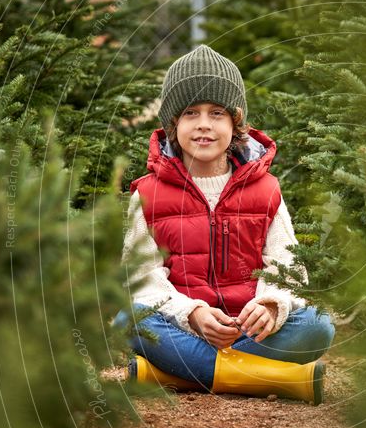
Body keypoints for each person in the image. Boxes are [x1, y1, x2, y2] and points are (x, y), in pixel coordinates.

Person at [113, 45, 335, 404]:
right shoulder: (149, 194)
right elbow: (140, 280)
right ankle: (259, 376)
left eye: (217, 113)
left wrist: (271, 305)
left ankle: (181, 374)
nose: (204, 124)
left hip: (251, 331)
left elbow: (288, 265)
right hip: (185, 328)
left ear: (236, 124)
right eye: (191, 113)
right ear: (173, 124)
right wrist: (193, 314)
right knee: (130, 319)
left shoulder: (266, 190)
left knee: (318, 324)